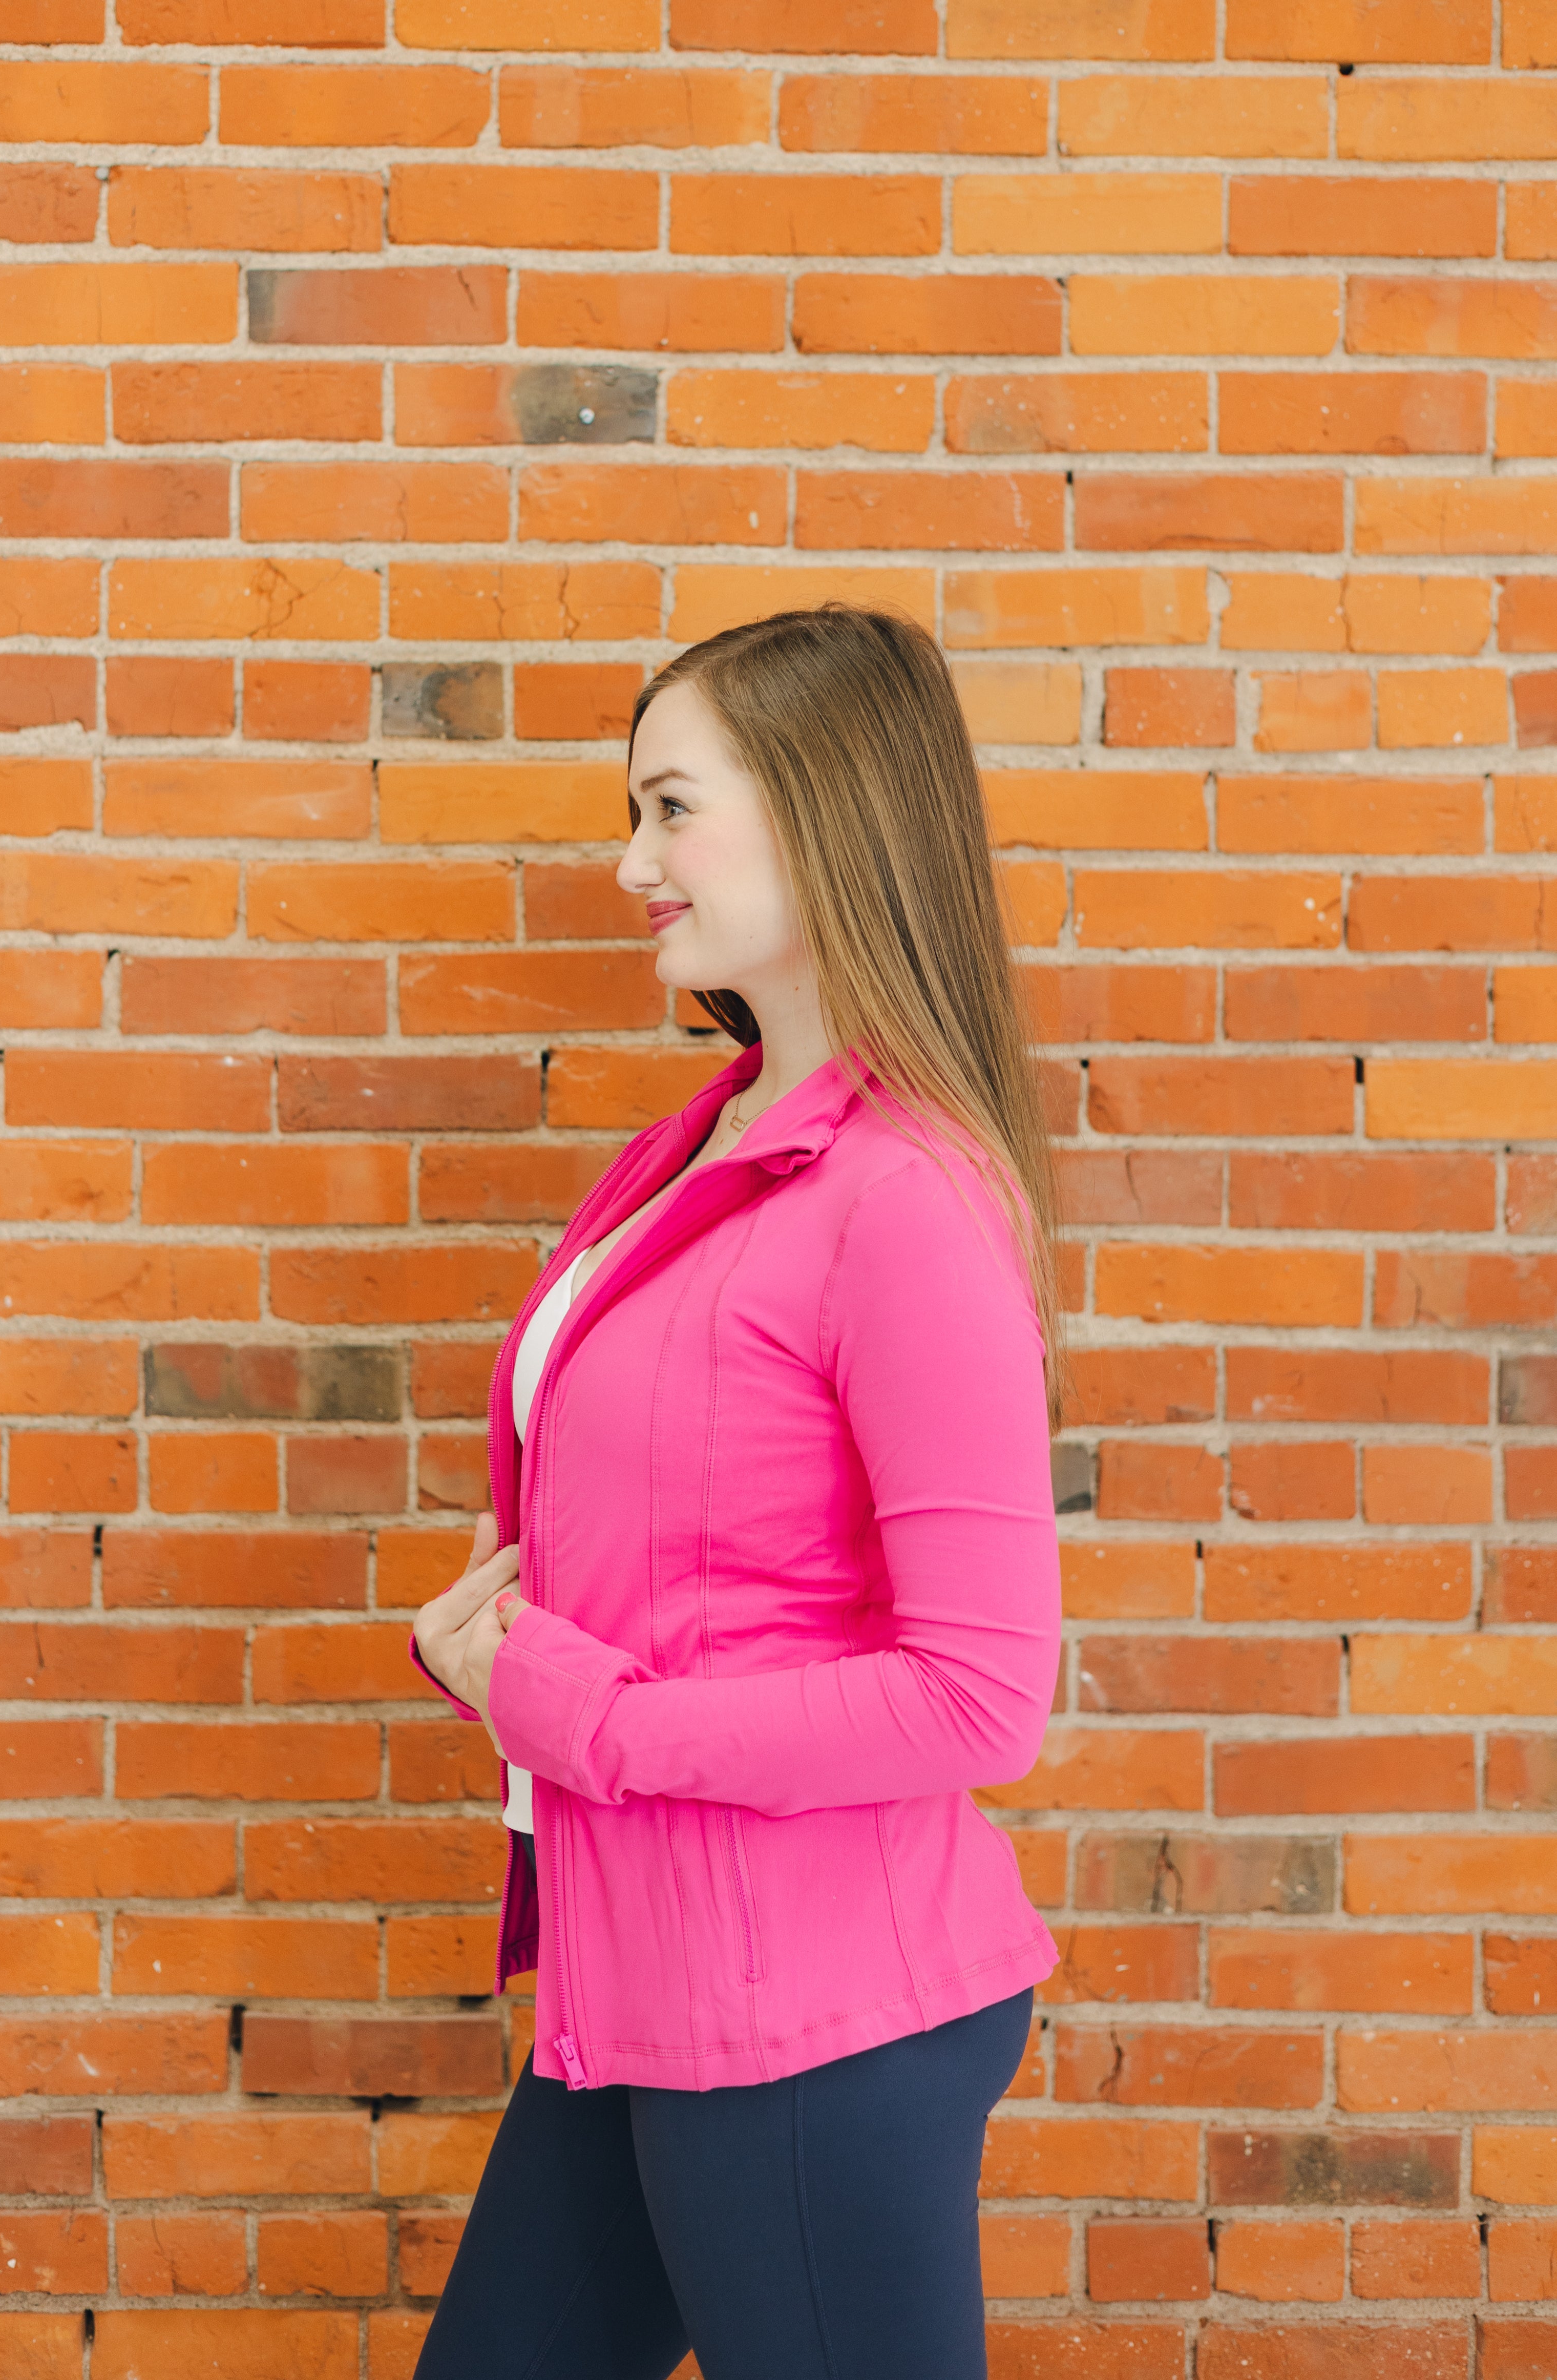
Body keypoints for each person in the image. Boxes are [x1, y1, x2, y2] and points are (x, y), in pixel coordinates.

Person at [409, 605, 1065, 2380]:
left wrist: (581, 1711)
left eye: (672, 807)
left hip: (811, 2024)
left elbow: (981, 1694)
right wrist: (497, 1644)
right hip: (635, 1989)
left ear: (825, 810)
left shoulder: (902, 1196)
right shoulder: (698, 1142)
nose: (633, 863)